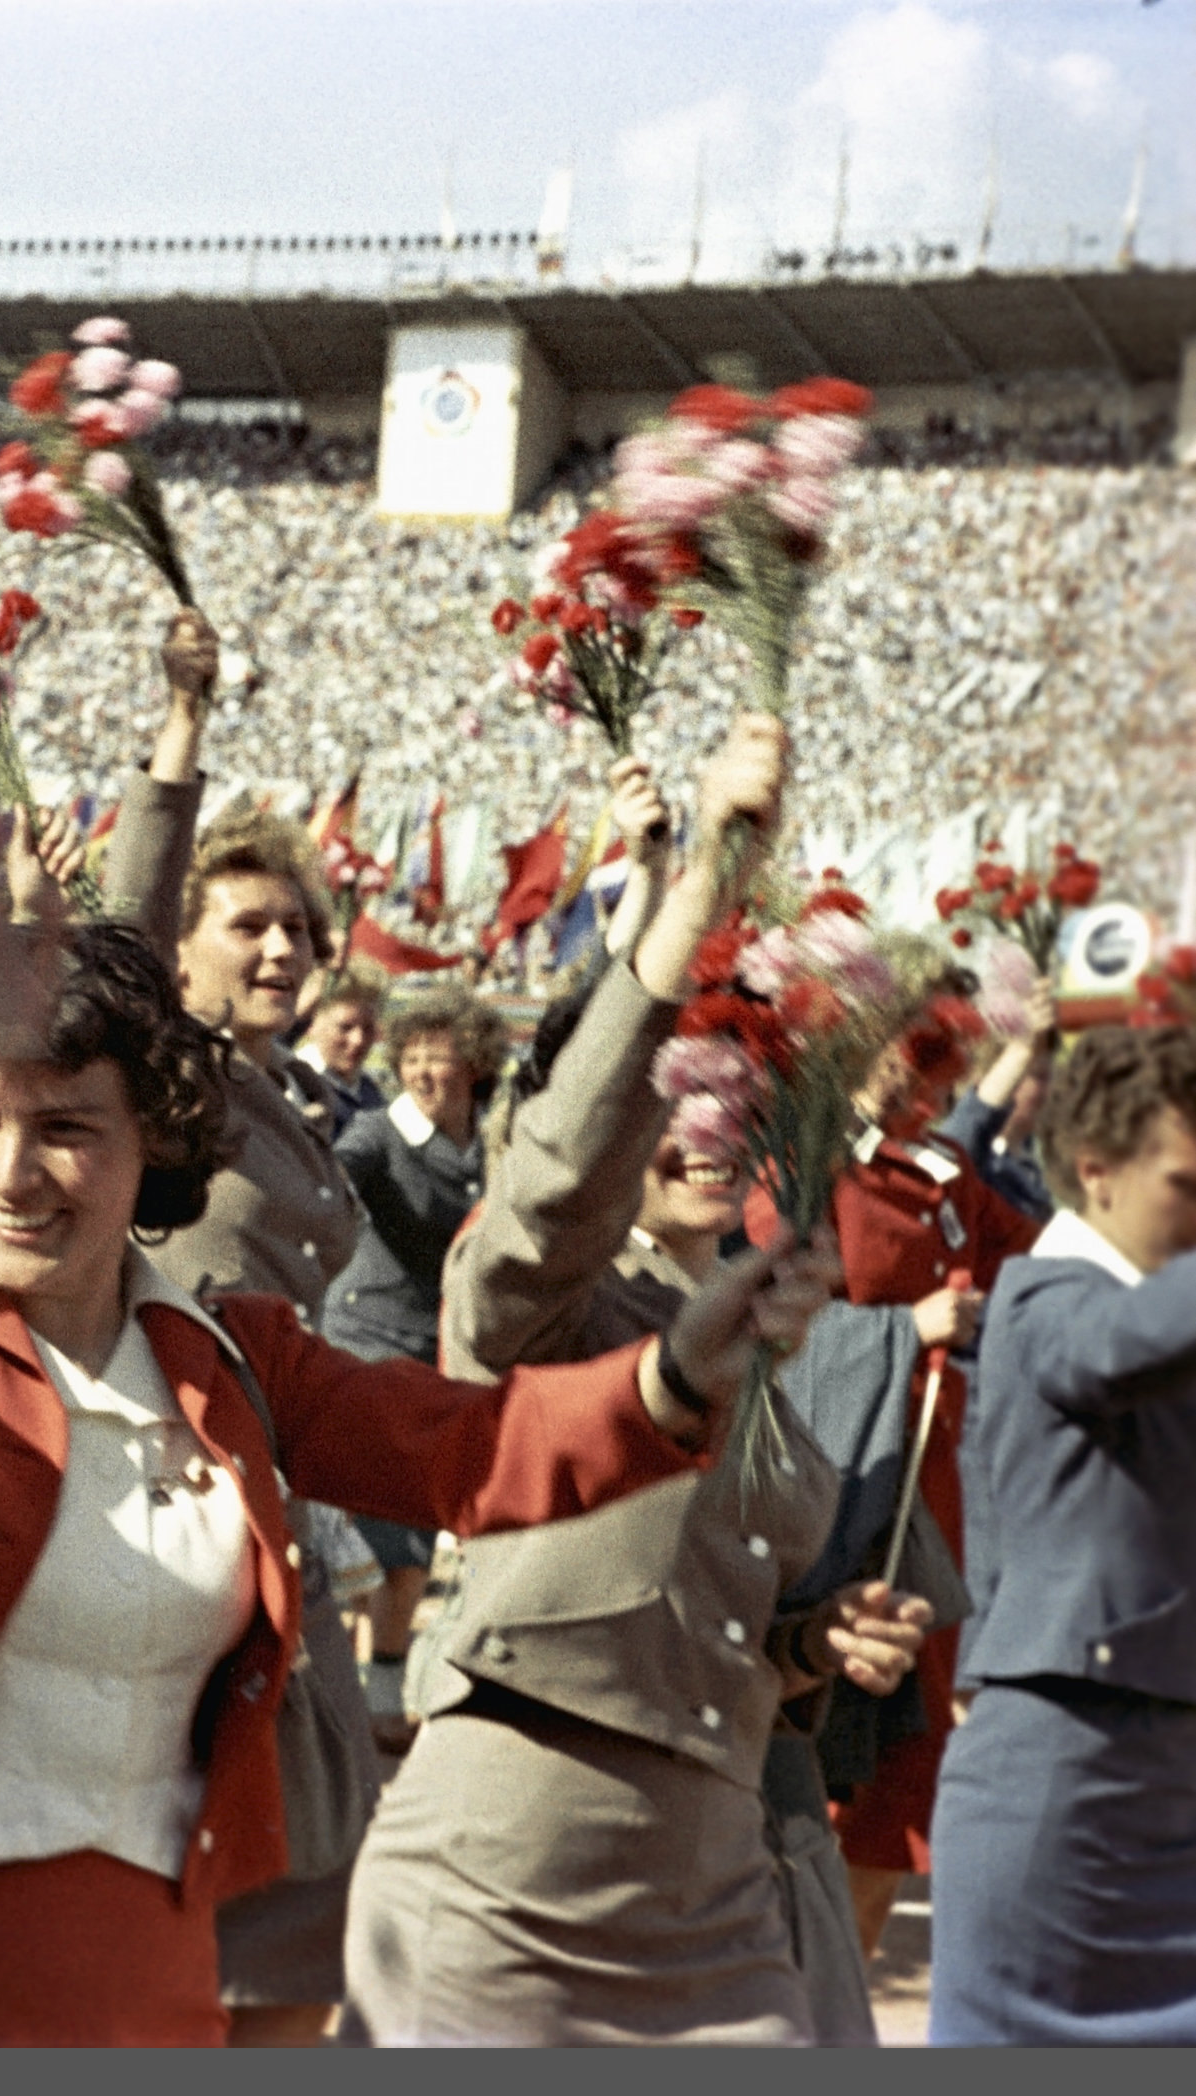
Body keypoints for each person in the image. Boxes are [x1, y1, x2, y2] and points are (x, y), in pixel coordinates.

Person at [0, 816, 846, 2045]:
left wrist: (681, 1371)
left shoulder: (227, 1357)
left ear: (149, 1138)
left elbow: (466, 1446)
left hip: (149, 1969)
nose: (14, 1171)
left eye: (67, 1127)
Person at [353, 728, 935, 2046]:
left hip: (724, 1865)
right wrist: (694, 902)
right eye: (674, 1094)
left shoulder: (760, 1327)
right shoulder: (534, 1297)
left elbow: (721, 1612)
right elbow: (556, 1185)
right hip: (519, 1850)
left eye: (734, 1097)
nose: (706, 1125)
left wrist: (816, 1640)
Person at [103, 609, 372, 2041]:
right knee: (201, 1958)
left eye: (298, 929)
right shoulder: (162, 1084)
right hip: (175, 1508)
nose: (280, 950)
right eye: (248, 925)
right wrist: (183, 732)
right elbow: (121, 925)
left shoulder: (292, 1101)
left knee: (299, 1953)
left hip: (291, 1515)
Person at [929, 1022, 1196, 2044]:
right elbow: (1118, 1347)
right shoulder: (1043, 1298)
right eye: (1187, 1184)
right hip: (1065, 1790)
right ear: (1098, 1172)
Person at [754, 1014, 1043, 1958]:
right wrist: (902, 1328)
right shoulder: (801, 1166)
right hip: (833, 1488)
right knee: (818, 1719)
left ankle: (839, 1981)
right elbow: (766, 1320)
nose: (909, 1091)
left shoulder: (948, 1175)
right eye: (889, 1068)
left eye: (931, 1076)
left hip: (932, 1495)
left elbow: (1043, 1265)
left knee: (905, 1751)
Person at [319, 983, 508, 1744]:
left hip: (435, 1352)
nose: (426, 1074)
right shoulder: (377, 1132)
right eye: (413, 1060)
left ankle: (384, 1690)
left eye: (442, 1059)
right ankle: (336, 1687)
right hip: (361, 1342)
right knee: (363, 1527)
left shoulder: (492, 1151)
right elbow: (342, 1165)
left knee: (412, 1534)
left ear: (476, 1066)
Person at [939, 981, 1058, 1225]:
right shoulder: (974, 1159)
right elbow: (958, 1142)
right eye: (1040, 1077)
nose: (1054, 1088)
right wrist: (1021, 1050)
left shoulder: (1037, 1158)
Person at [294, 966, 388, 1134]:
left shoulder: (370, 1093)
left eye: (368, 1028)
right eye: (345, 1027)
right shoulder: (292, 1085)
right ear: (313, 1024)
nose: (358, 1040)